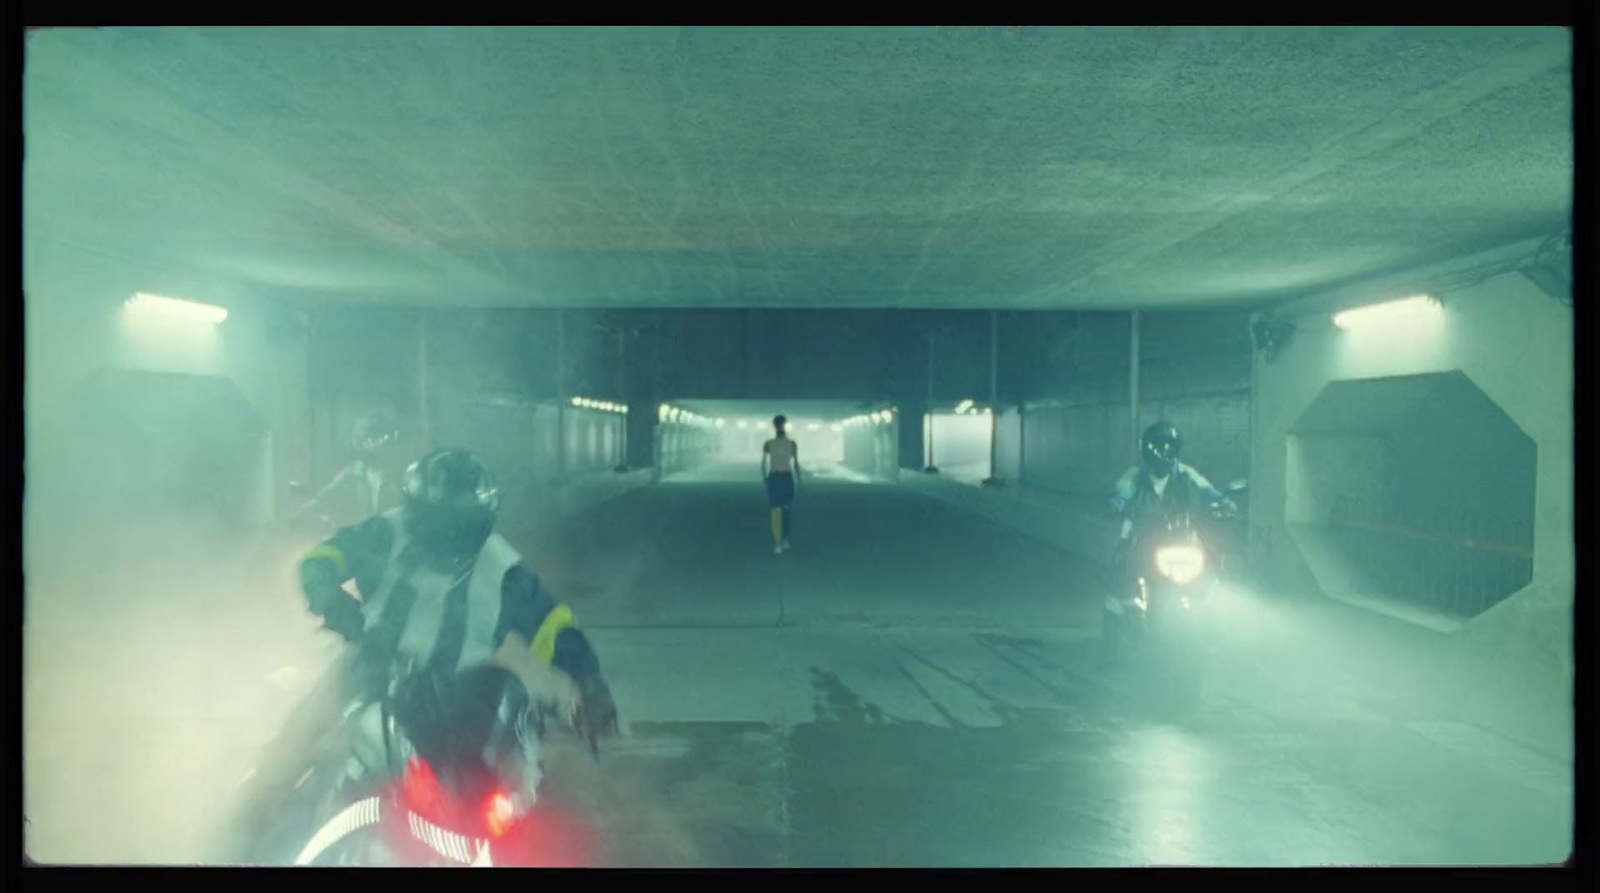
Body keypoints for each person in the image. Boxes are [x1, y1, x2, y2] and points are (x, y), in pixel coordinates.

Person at [297, 448, 618, 802]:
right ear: (417, 514)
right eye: (440, 523)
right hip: (377, 673)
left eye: (459, 524)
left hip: (460, 695)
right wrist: (332, 600)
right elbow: (321, 560)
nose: (449, 536)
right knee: (316, 750)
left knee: (504, 766)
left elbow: (554, 627)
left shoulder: (501, 568)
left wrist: (588, 683)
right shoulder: (386, 533)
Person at [1102, 421, 1235, 658]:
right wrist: (1117, 504)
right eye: (1157, 447)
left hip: (1179, 536)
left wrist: (1224, 502)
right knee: (1120, 570)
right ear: (1146, 450)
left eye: (1168, 447)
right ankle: (1113, 636)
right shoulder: (1136, 476)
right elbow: (1122, 491)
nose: (1163, 453)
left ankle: (1210, 618)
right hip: (1143, 535)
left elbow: (1207, 491)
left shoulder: (1186, 474)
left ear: (1175, 450)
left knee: (1211, 560)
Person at [294, 411, 407, 532]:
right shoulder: (352, 473)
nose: (378, 442)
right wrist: (296, 519)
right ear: (362, 442)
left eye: (384, 437)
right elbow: (323, 498)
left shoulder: (403, 473)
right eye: (369, 439)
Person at [761, 415, 801, 554]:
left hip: (775, 477)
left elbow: (763, 463)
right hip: (786, 477)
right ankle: (782, 539)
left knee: (776, 511)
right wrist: (799, 480)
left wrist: (764, 478)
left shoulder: (768, 444)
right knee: (786, 510)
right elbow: (795, 463)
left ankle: (778, 541)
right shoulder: (792, 444)